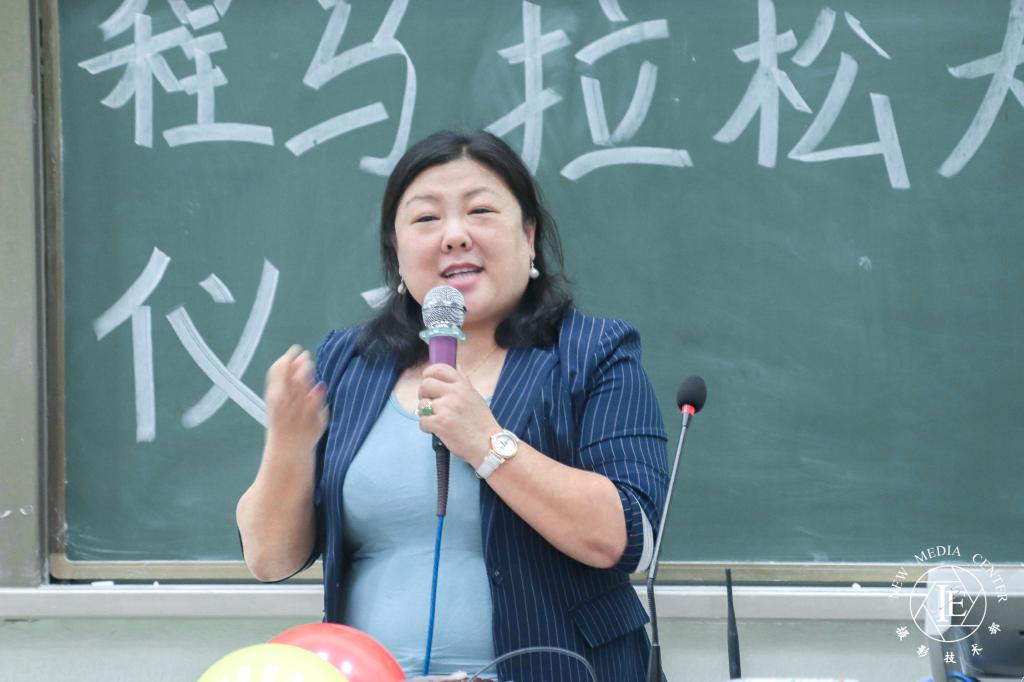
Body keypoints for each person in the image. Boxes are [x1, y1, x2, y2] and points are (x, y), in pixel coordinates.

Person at [236, 130, 669, 682]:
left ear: (529, 237)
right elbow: (270, 560)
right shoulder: (349, 361)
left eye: (480, 211)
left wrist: (487, 444)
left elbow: (629, 538)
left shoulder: (593, 352)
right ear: (396, 252)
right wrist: (288, 447)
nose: (455, 236)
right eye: (426, 218)